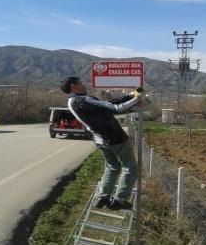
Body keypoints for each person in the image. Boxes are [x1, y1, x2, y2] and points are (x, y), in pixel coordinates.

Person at [60, 76, 144, 210]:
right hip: (115, 138)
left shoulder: (72, 102)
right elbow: (117, 108)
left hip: (99, 140)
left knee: (112, 167)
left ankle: (102, 197)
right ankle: (119, 200)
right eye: (80, 83)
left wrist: (130, 96)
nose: (83, 85)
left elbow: (108, 104)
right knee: (130, 168)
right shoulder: (86, 99)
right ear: (73, 86)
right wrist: (138, 99)